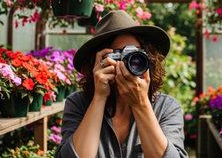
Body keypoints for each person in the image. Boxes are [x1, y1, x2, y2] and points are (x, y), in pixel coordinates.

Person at [55, 10, 188, 158]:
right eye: (118, 55)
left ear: (148, 58)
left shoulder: (166, 107)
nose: (128, 63)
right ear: (98, 62)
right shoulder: (79, 104)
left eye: (135, 54)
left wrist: (141, 104)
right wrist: (99, 97)